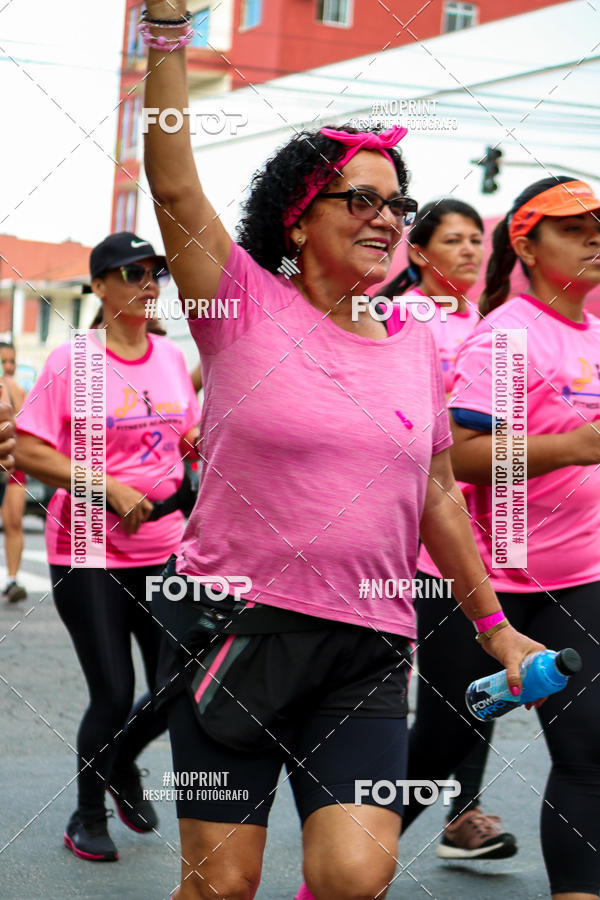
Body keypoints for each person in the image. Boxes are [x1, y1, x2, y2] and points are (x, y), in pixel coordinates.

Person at [141, 8, 545, 900]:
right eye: (361, 199)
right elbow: (173, 192)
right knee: (220, 886)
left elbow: (438, 494)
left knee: (356, 875)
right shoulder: (238, 304)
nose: (387, 218)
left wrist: (495, 628)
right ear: (296, 220)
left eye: (396, 203)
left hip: (366, 643)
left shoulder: (415, 342)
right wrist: (167, 34)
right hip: (233, 635)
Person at [401, 176, 600, 900]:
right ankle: (350, 864)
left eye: (598, 225)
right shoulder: (509, 335)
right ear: (526, 241)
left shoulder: (595, 334)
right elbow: (461, 458)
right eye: (572, 227)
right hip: (484, 583)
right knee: (439, 749)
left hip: (578, 577)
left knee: (588, 755)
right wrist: (570, 447)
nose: (593, 237)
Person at [14, 232, 202, 863]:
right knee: (114, 692)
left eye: (156, 274)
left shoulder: (172, 359)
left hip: (165, 547)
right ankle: (86, 813)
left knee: (179, 684)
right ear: (99, 287)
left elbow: (183, 438)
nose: (149, 286)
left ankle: (119, 763)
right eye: (132, 274)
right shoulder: (74, 361)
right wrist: (109, 487)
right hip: (88, 551)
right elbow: (31, 449)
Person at [382, 201, 518, 859]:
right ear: (419, 252)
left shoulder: (493, 325)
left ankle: (462, 812)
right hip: (400, 526)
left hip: (476, 527)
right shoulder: (395, 319)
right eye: (453, 240)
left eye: (476, 241)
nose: (469, 251)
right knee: (432, 687)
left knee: (477, 674)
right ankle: (369, 828)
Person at [0, 341, 27, 603]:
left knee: (14, 523)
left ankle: (12, 579)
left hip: (12, 464)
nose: (8, 367)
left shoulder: (17, 389)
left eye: (12, 361)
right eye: (3, 361)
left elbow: (25, 423)